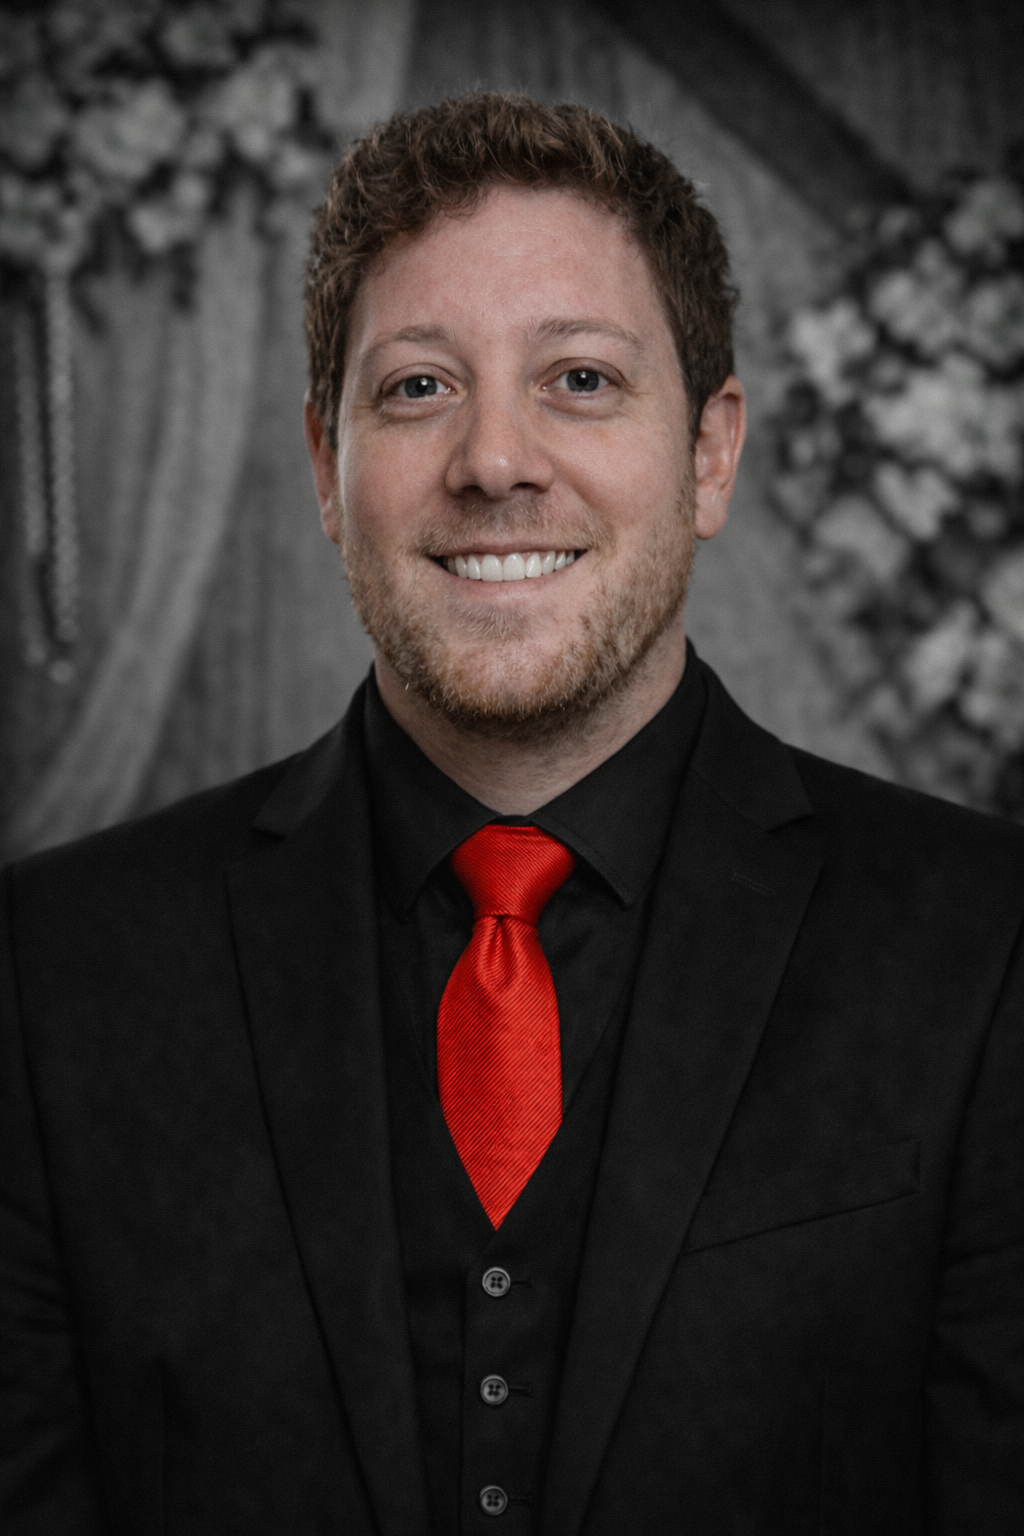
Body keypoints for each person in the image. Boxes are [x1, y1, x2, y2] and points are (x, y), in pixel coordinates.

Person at [1, 92, 1021, 1536]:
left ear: (712, 454)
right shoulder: (55, 973)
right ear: (324, 470)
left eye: (583, 381)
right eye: (418, 387)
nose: (494, 461)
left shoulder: (987, 947)